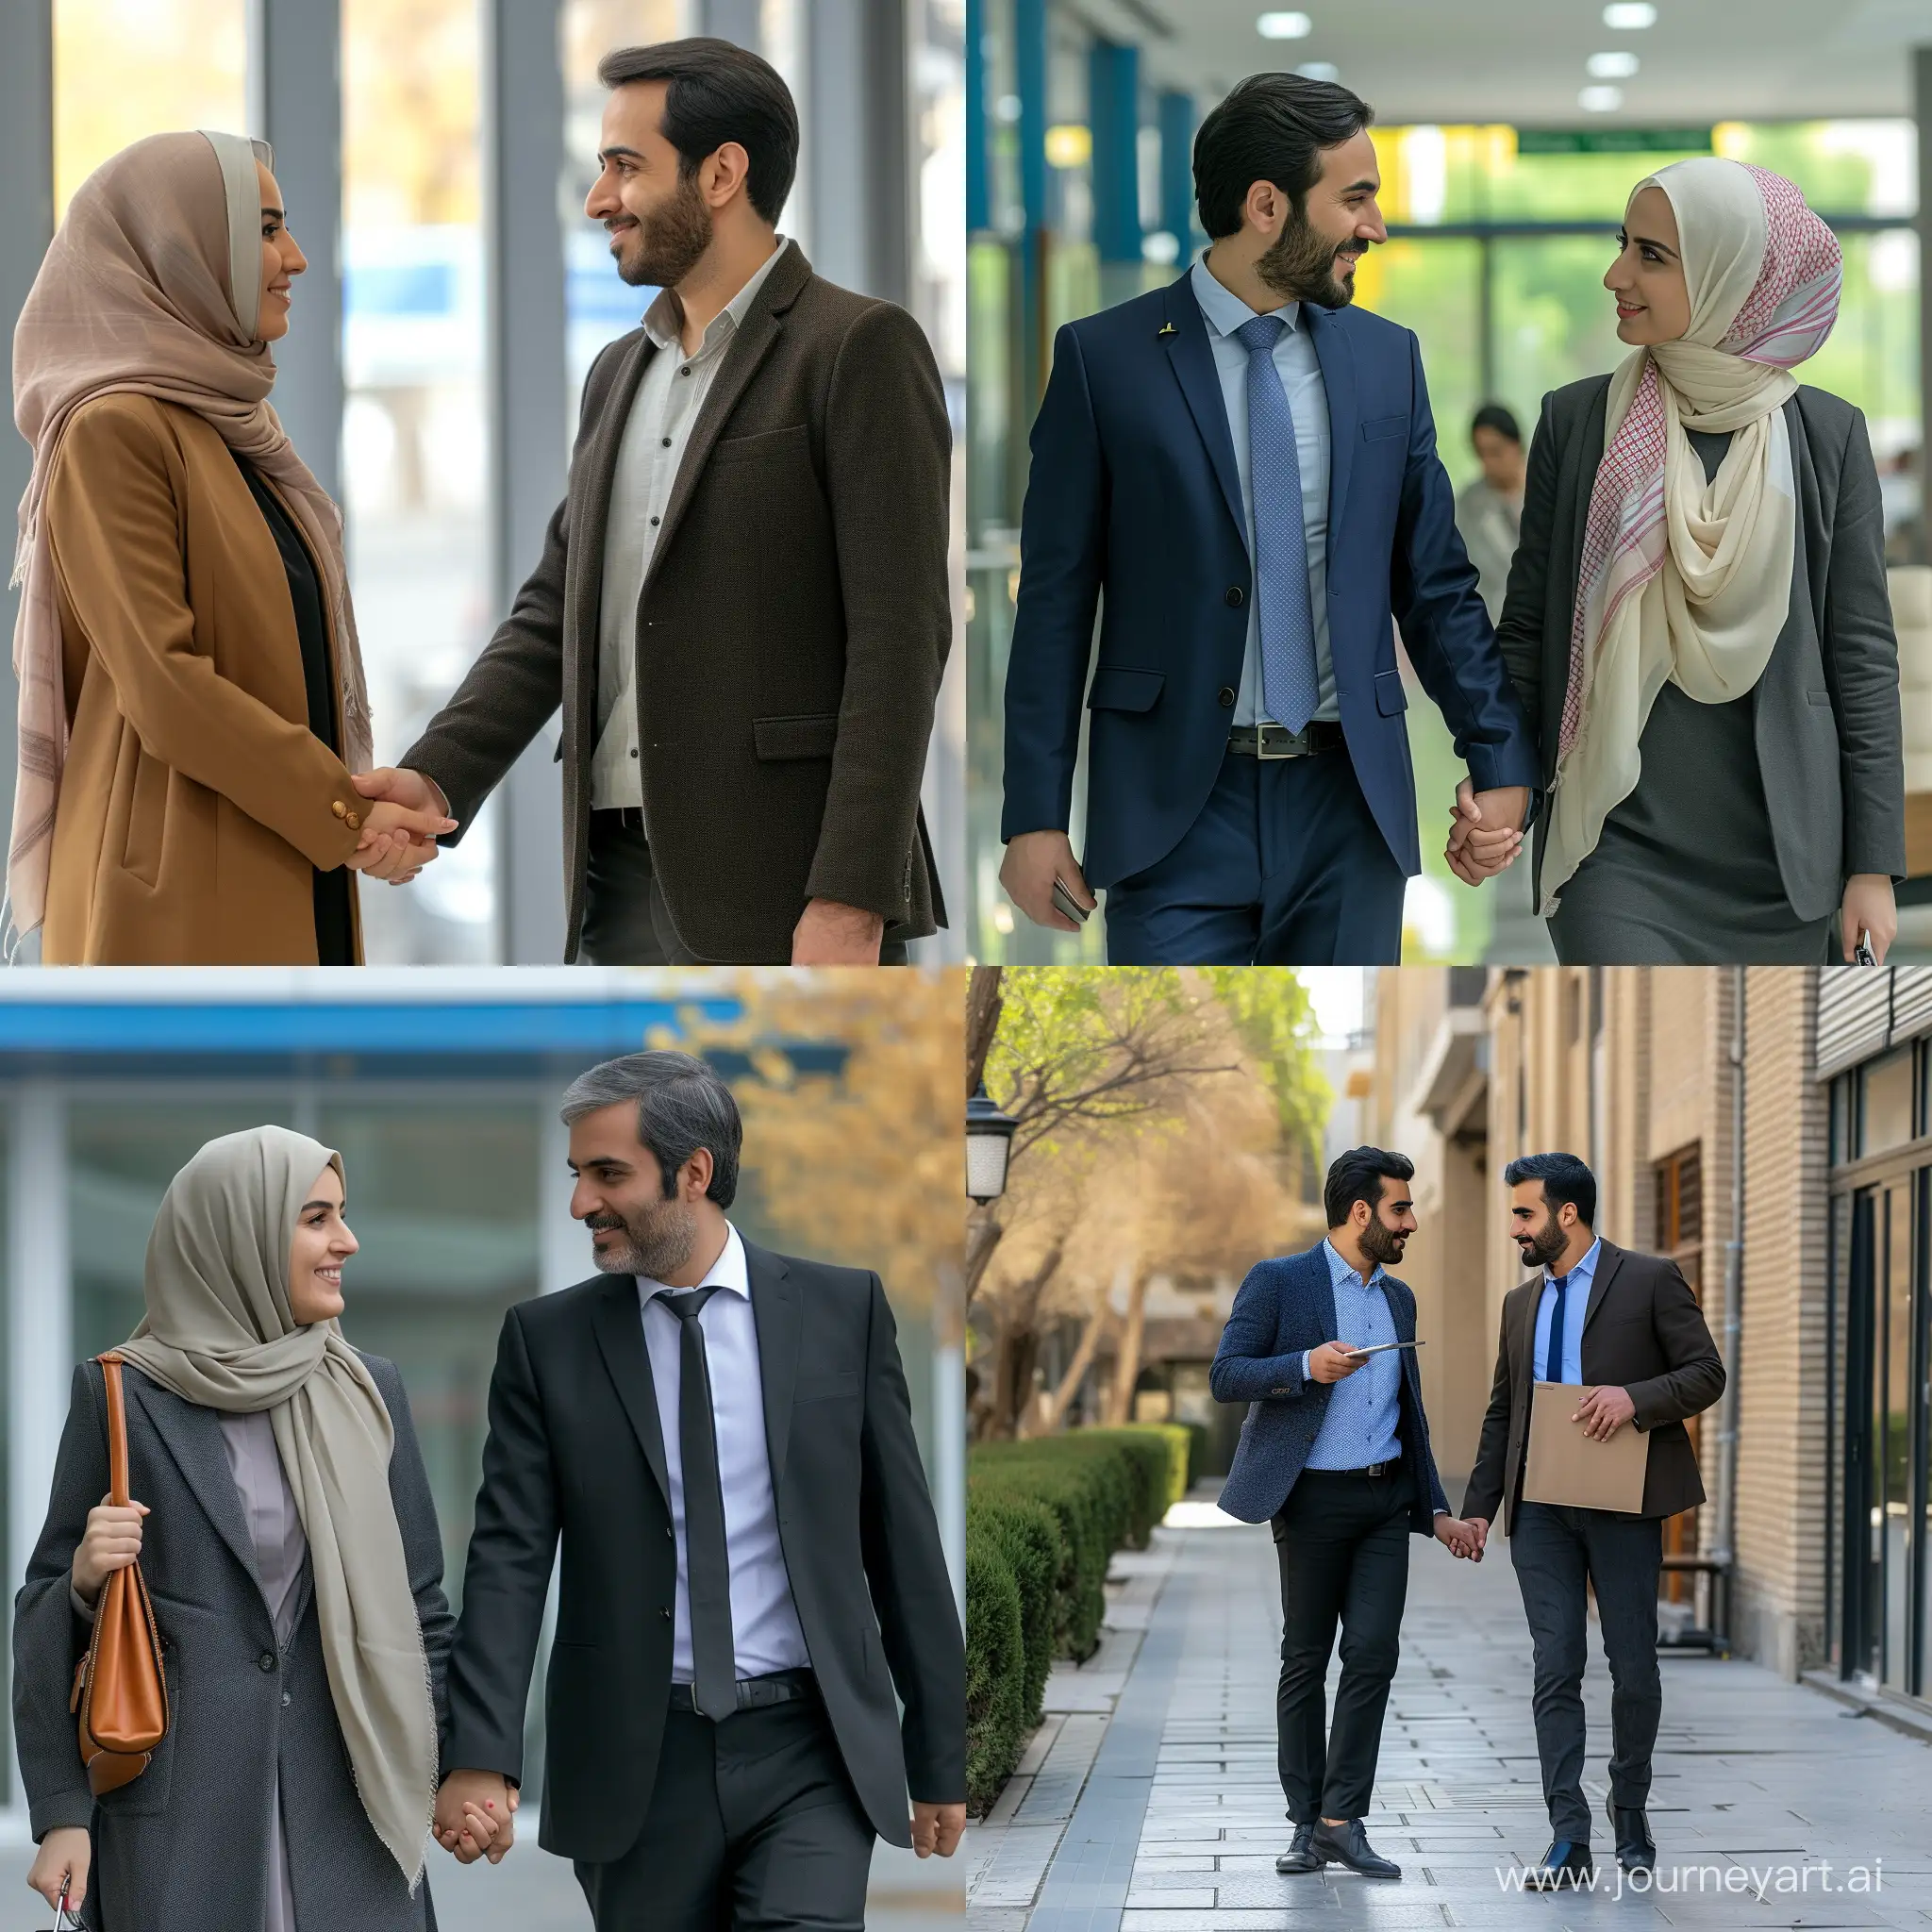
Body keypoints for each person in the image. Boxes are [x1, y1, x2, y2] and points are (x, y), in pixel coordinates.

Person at [352, 39, 950, 966]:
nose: (598, 201)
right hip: (614, 877)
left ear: (720, 174)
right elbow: (557, 605)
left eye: (625, 168)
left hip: (787, 887)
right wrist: (438, 775)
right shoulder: (616, 373)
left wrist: (849, 896)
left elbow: (898, 634)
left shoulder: (857, 347)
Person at [998, 73, 1538, 966]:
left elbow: (1436, 586)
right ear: (1264, 205)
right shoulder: (1104, 361)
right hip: (1172, 810)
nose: (1375, 226)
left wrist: (1500, 758)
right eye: (1355, 199)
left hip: (1349, 806)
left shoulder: (1386, 362)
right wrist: (1033, 818)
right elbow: (1055, 604)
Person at [431, 1051, 965, 1930]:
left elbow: (899, 1542)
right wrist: (482, 1754)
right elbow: (509, 1561)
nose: (581, 1204)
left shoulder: (845, 1311)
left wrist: (938, 1751)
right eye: (577, 1175)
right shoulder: (547, 1342)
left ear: (695, 1173)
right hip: (636, 1766)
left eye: (608, 1174)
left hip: (813, 1748)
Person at [12, 1126, 493, 1930]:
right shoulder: (123, 1395)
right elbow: (40, 1614)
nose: (347, 1240)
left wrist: (454, 1769)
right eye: (315, 1218)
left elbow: (421, 1611)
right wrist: (64, 1807)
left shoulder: (370, 1392)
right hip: (177, 1827)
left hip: (351, 1817)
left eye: (341, 1215)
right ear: (237, 1234)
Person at [7, 132, 452, 965]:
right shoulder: (113, 429)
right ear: (180, 249)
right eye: (267, 229)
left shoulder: (230, 430)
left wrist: (346, 814)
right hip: (176, 894)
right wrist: (345, 811)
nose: (297, 258)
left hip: (281, 853)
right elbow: (166, 683)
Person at [1474, 158, 1905, 964]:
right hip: (1617, 851)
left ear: (1730, 277)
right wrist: (1501, 779)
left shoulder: (1826, 439)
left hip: (1785, 862)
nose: (1616, 274)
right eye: (1622, 244)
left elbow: (1862, 663)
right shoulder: (1577, 424)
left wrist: (1872, 866)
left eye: (1652, 255)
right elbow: (1530, 630)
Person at [1211, 1147, 1483, 1882]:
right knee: (1305, 1658)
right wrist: (1305, 1365)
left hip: (1383, 1499)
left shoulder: (1399, 1300)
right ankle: (1304, 1823)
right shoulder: (1279, 1282)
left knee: (1373, 1655)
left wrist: (1438, 1510)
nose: (1412, 1222)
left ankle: (1341, 1819)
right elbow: (1226, 1373)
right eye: (1401, 1208)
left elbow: (1412, 1416)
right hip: (1310, 1500)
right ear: (1361, 1213)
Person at [1460, 1152, 1725, 1890]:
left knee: (1634, 1666)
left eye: (1524, 1213)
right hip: (1540, 1510)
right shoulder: (1520, 1303)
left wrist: (1632, 1398)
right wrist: (1479, 1511)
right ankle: (1567, 1833)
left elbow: (1707, 1372)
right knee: (1557, 1666)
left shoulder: (1648, 1278)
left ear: (1565, 1215)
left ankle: (1631, 1812)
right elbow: (1503, 1411)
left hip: (1622, 1503)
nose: (1514, 1226)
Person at [1456, 403, 1526, 623]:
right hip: (1493, 624)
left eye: (1496, 452)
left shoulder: (1548, 493)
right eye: (1481, 453)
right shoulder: (1467, 505)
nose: (1488, 463)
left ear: (1517, 445)